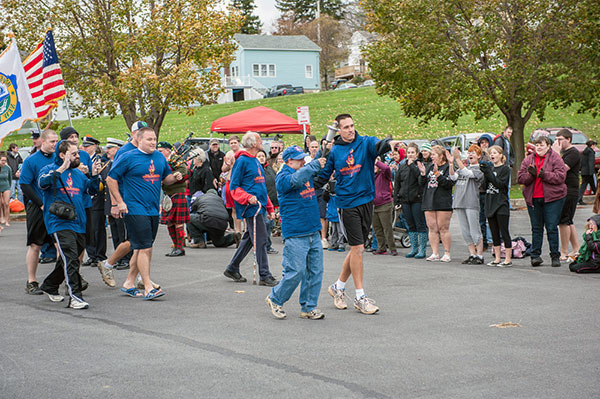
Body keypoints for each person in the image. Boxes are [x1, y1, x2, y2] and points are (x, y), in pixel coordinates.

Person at [315, 113, 402, 315]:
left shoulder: (365, 143)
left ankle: (338, 287)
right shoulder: (335, 151)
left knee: (357, 249)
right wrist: (306, 184)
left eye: (352, 125)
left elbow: (380, 144)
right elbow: (323, 176)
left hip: (367, 201)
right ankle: (360, 297)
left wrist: (391, 143)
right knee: (358, 248)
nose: (350, 129)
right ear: (339, 130)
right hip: (347, 204)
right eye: (345, 127)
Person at [107, 126, 184, 299]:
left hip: (152, 209)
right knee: (144, 247)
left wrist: (176, 177)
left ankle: (129, 282)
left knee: (142, 247)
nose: (153, 142)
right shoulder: (127, 157)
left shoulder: (158, 157)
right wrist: (119, 202)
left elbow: (165, 179)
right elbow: (111, 179)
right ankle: (148, 287)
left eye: (155, 139)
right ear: (139, 140)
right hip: (134, 208)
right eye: (149, 139)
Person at [265, 146, 327, 319]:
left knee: (315, 271)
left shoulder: (304, 171)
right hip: (296, 232)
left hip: (313, 230)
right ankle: (275, 298)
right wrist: (314, 165)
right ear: (289, 161)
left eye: (303, 158)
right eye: (299, 159)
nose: (302, 161)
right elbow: (295, 181)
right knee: (296, 271)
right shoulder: (283, 177)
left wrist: (324, 152)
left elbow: (317, 174)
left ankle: (308, 307)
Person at [38, 141, 101, 309]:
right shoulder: (50, 170)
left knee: (68, 258)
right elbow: (42, 183)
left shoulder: (79, 174)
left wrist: (94, 176)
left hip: (79, 222)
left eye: (78, 154)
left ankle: (50, 285)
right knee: (71, 258)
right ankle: (75, 297)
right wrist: (61, 168)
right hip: (59, 222)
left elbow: (91, 191)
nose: (78, 157)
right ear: (62, 155)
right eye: (74, 154)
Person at [223, 132, 278, 287]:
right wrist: (247, 197)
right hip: (251, 207)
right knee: (260, 240)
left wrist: (269, 207)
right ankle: (265, 275)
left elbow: (261, 188)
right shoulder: (242, 161)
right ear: (253, 143)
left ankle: (232, 267)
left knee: (249, 238)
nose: (262, 142)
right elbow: (234, 187)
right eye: (260, 140)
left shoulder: (255, 161)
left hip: (258, 206)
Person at [19, 129, 58, 294]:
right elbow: (25, 185)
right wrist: (41, 203)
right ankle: (31, 280)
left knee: (61, 245)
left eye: (57, 141)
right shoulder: (31, 161)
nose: (55, 144)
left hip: (57, 207)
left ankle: (63, 277)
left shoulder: (59, 159)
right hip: (38, 207)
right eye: (52, 142)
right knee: (35, 245)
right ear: (42, 141)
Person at [517, 135, 567, 267]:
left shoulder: (555, 158)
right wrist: (530, 175)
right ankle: (535, 256)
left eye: (542, 145)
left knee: (551, 227)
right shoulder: (528, 159)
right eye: (537, 145)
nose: (539, 147)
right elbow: (520, 178)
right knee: (536, 228)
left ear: (548, 146)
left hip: (553, 198)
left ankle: (555, 256)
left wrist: (544, 175)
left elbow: (561, 177)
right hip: (533, 199)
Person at [418, 145, 455, 262]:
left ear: (441, 156)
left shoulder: (446, 167)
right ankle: (435, 253)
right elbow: (422, 184)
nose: (431, 156)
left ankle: (447, 253)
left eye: (434, 154)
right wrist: (423, 174)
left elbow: (449, 184)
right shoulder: (429, 166)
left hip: (443, 201)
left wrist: (437, 174)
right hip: (429, 200)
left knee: (443, 228)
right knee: (432, 227)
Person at [450, 145, 485, 264]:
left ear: (479, 156)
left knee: (475, 230)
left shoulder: (479, 170)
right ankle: (472, 254)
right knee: (465, 231)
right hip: (460, 202)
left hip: (471, 203)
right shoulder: (463, 167)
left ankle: (479, 255)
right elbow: (453, 177)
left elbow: (468, 173)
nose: (470, 155)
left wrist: (457, 159)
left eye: (474, 153)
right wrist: (451, 163)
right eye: (469, 153)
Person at [480, 146, 513, 266]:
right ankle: (497, 258)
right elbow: (484, 186)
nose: (492, 155)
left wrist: (489, 173)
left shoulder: (505, 169)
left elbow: (500, 184)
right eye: (491, 153)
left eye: (495, 153)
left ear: (500, 155)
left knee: (503, 231)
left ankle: (508, 258)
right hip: (490, 202)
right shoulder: (490, 168)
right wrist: (485, 173)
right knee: (493, 232)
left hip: (501, 204)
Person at [157, 141, 190, 257]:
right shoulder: (161, 160)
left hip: (177, 193)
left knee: (178, 223)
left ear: (168, 150)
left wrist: (176, 174)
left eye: (161, 151)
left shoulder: (176, 159)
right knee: (169, 223)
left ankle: (180, 248)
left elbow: (184, 171)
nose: (159, 153)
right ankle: (175, 246)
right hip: (167, 194)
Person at [394, 143, 427, 258]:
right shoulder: (402, 167)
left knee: (420, 224)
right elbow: (397, 184)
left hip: (417, 199)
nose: (410, 155)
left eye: (413, 152)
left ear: (417, 154)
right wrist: (396, 200)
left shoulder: (419, 165)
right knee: (410, 225)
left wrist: (413, 165)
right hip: (405, 200)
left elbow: (420, 179)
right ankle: (414, 248)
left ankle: (422, 249)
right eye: (408, 152)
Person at [554, 129, 581, 261]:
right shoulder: (564, 153)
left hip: (570, 189)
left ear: (568, 139)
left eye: (560, 139)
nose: (558, 142)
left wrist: (557, 153)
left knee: (564, 220)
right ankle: (576, 249)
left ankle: (564, 252)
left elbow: (562, 168)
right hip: (562, 189)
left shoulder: (573, 152)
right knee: (568, 220)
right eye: (556, 139)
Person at [372, 159, 397, 255]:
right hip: (374, 205)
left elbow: (386, 168)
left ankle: (392, 248)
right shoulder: (370, 176)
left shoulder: (384, 174)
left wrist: (376, 161)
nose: (374, 167)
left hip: (385, 204)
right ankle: (381, 247)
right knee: (377, 228)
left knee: (387, 228)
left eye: (376, 166)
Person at [257, 149, 278, 254]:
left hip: (272, 203)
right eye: (259, 156)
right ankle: (264, 246)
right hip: (261, 202)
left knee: (270, 224)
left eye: (263, 156)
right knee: (265, 223)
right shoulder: (256, 170)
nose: (261, 158)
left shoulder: (269, 169)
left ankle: (266, 245)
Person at [222, 135, 242, 235]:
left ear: (239, 143)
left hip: (240, 183)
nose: (233, 145)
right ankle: (237, 230)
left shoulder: (243, 154)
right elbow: (223, 169)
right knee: (233, 208)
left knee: (242, 207)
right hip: (230, 181)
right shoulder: (228, 154)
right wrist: (228, 164)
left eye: (235, 142)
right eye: (231, 143)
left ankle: (246, 229)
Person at [324, 179, 345, 251]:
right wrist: (327, 190)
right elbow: (325, 198)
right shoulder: (329, 196)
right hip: (332, 214)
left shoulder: (339, 195)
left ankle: (341, 244)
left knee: (340, 230)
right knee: (333, 230)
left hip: (338, 214)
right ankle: (333, 243)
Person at [578, 140, 596, 205]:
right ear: (592, 145)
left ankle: (579, 198)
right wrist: (591, 172)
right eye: (594, 145)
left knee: (584, 185)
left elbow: (581, 161)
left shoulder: (584, 151)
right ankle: (598, 197)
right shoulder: (591, 152)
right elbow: (591, 162)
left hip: (584, 171)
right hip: (589, 172)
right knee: (592, 185)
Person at [0, 152, 12, 231]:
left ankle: (7, 220)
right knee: (0, 203)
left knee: (6, 203)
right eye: (2, 160)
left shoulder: (8, 168)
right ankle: (1, 217)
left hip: (6, 186)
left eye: (5, 160)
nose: (3, 162)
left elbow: (10, 178)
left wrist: (9, 186)